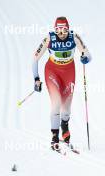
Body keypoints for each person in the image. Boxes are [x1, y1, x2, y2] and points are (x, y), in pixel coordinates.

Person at [32, 17, 91, 151]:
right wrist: (36, 78)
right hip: (52, 72)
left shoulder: (74, 37)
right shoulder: (49, 38)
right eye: (58, 29)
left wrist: (85, 58)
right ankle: (54, 135)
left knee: (66, 108)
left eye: (64, 29)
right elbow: (34, 59)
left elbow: (89, 55)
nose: (61, 33)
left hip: (69, 73)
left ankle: (64, 125)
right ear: (55, 29)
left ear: (68, 29)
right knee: (56, 103)